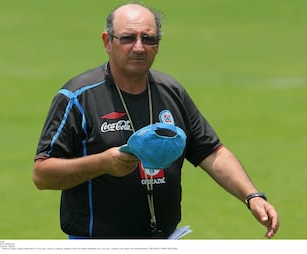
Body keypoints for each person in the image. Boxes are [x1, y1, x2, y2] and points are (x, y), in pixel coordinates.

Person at [32, 3, 279, 239]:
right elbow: (42, 174)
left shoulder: (171, 91)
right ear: (108, 42)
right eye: (128, 38)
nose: (139, 47)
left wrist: (252, 196)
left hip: (164, 240)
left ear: (158, 45)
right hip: (96, 243)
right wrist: (102, 163)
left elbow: (211, 152)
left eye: (148, 38)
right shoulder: (77, 97)